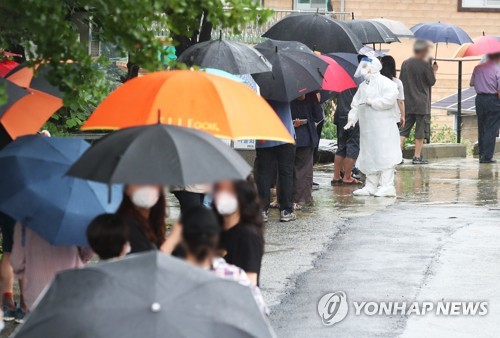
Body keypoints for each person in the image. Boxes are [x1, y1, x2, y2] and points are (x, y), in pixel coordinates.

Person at [180, 206, 269, 316]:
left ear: (182, 240)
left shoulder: (174, 278)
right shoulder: (235, 275)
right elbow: (260, 312)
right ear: (216, 238)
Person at [345, 56, 402, 197]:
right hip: (368, 128)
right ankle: (370, 185)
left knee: (384, 154)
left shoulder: (385, 82)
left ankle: (387, 185)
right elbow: (356, 103)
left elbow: (390, 98)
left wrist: (373, 102)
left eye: (365, 66)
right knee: (369, 154)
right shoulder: (363, 85)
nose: (363, 70)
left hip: (383, 127)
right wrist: (352, 118)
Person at [10, 223, 93, 313]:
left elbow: (17, 262)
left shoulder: (24, 223)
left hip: (37, 293)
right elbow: (88, 253)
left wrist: (25, 273)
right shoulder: (77, 221)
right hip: (71, 286)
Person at [213, 179, 264, 286]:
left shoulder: (248, 236)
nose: (222, 197)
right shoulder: (216, 229)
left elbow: (250, 283)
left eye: (229, 193)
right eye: (219, 191)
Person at [254, 100, 296, 222]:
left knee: (263, 174)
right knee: (286, 174)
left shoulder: (258, 87)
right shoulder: (285, 86)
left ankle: (262, 210)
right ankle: (286, 210)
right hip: (285, 135)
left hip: (264, 136)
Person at [399, 40, 438, 165]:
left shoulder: (405, 63)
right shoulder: (426, 64)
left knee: (404, 130)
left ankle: (396, 154)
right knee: (420, 130)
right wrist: (434, 70)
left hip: (408, 101)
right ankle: (416, 156)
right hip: (421, 103)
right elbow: (431, 81)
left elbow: (401, 81)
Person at [290, 94, 323, 209]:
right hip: (306, 136)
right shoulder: (311, 96)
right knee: (303, 169)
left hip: (289, 136)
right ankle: (300, 199)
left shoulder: (286, 94)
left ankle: (284, 198)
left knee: (286, 168)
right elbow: (319, 116)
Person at [116, 185, 166, 253]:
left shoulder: (153, 222)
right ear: (126, 189)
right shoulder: (126, 225)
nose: (146, 188)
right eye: (139, 183)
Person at [470, 53, 500, 163]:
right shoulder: (497, 69)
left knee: (481, 127)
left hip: (479, 99)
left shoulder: (477, 68)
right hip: (493, 100)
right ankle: (487, 157)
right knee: (491, 128)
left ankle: (481, 154)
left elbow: (471, 83)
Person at [331, 88, 362, 186]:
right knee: (353, 145)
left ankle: (336, 176)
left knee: (342, 146)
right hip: (353, 116)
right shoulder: (359, 80)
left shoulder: (341, 80)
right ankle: (347, 176)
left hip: (341, 115)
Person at [0, 212, 18, 322]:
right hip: (22, 204)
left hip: (6, 202)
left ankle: (8, 305)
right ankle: (24, 309)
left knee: (8, 251)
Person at [381, 55, 406, 128]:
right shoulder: (397, 82)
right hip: (394, 118)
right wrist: (403, 116)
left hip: (379, 118)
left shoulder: (377, 81)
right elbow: (400, 102)